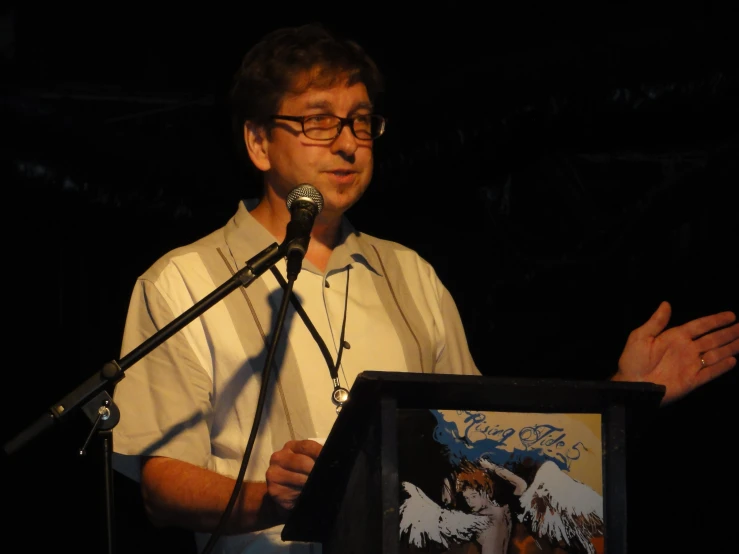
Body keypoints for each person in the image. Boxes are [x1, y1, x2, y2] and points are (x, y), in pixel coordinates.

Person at [110, 22, 739, 554]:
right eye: (318, 122)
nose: (349, 143)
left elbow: (481, 448)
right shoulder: (185, 280)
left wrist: (623, 398)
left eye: (361, 122)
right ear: (257, 141)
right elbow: (162, 487)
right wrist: (267, 499)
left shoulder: (411, 275)